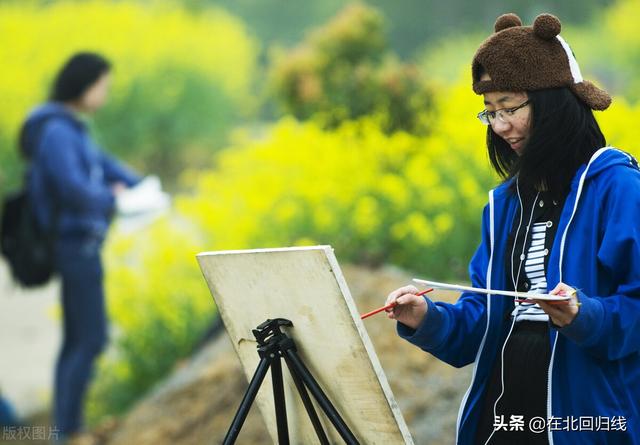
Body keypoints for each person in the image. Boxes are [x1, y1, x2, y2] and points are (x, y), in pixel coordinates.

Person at [385, 13, 640, 444]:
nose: (500, 126)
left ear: (553, 103)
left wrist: (584, 314)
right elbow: (481, 323)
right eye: (489, 112)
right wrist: (426, 319)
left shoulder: (618, 187)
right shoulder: (504, 206)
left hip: (585, 424)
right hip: (503, 421)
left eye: (510, 108)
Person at [21, 52, 141, 438]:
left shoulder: (71, 128)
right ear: (83, 85)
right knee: (91, 338)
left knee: (76, 338)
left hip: (79, 243)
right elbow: (73, 187)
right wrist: (114, 199)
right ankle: (67, 431)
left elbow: (106, 166)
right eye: (102, 86)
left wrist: (139, 185)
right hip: (74, 245)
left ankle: (64, 429)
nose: (105, 95)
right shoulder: (58, 131)